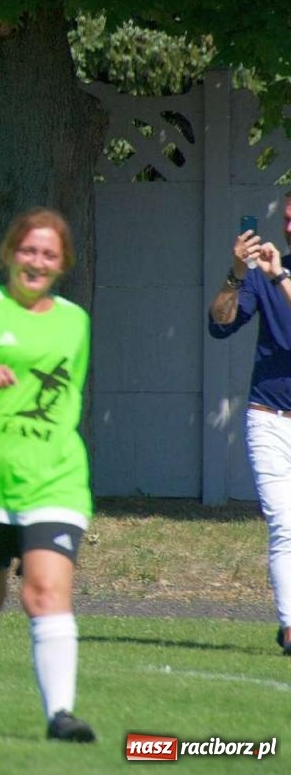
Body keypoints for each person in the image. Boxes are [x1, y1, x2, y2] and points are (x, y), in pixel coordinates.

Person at [0, 209, 96, 743]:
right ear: (9, 253)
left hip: (55, 480)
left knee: (45, 592)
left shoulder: (76, 321)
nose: (36, 262)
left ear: (63, 264)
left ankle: (61, 716)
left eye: (49, 254)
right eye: (28, 250)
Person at [208, 193, 291, 658]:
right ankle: (290, 627)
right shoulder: (261, 275)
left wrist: (280, 276)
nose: (289, 227)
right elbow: (219, 324)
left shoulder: (277, 272)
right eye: (287, 219)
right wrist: (237, 274)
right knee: (284, 525)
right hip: (269, 419)